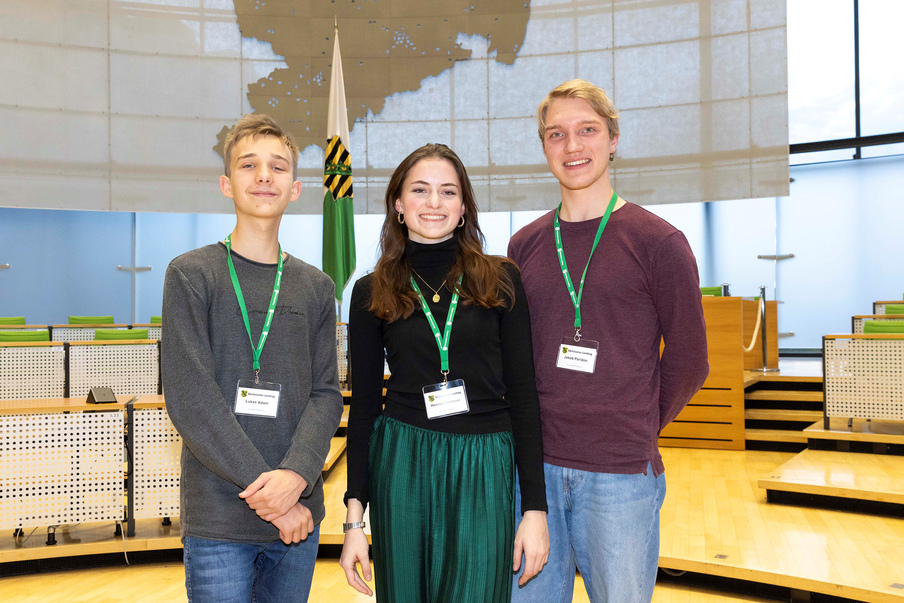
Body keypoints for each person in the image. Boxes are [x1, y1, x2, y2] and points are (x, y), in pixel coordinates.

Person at [508, 80, 709, 602]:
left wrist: (636, 425)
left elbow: (689, 361)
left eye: (587, 130)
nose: (572, 146)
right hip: (535, 476)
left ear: (613, 140)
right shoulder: (524, 245)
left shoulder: (658, 241)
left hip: (620, 475)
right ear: (544, 146)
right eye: (557, 134)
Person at [339, 143, 549, 602]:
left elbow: (525, 396)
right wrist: (355, 520)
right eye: (420, 190)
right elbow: (364, 412)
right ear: (398, 203)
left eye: (448, 192)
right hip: (403, 461)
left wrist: (534, 508)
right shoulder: (370, 291)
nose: (434, 202)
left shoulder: (502, 279)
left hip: (484, 462)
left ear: (463, 207)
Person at [161, 114, 344, 603]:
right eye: (249, 165)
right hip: (221, 517)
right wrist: (273, 498)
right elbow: (190, 398)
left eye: (277, 167)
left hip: (298, 516)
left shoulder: (317, 287)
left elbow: (326, 394)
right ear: (227, 184)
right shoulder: (191, 275)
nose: (264, 176)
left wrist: (296, 477)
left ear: (296, 188)